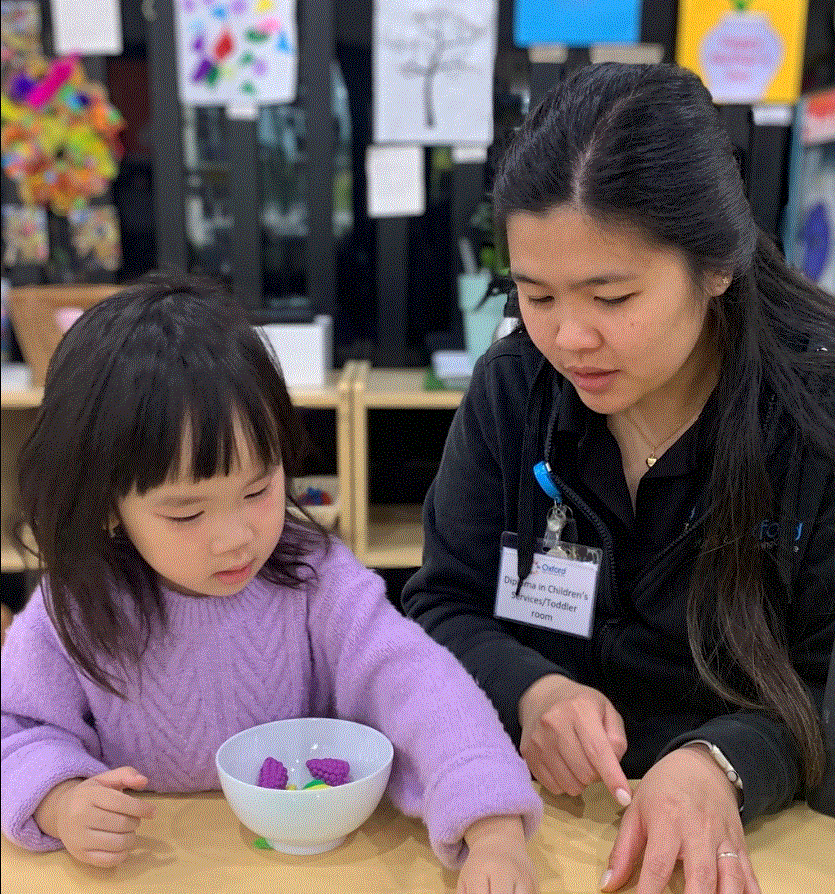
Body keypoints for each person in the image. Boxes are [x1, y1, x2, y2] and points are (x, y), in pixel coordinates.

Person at [402, 62, 835, 894]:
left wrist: (719, 760)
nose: (568, 336)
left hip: (765, 835)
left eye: (611, 296)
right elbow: (442, 602)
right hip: (542, 820)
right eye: (535, 294)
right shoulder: (514, 392)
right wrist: (533, 688)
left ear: (716, 265)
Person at [1, 274, 542, 894]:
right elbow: (16, 730)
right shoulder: (73, 606)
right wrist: (60, 801)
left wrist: (491, 821)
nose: (235, 538)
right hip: (152, 870)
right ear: (105, 505)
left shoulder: (314, 578)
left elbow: (417, 682)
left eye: (259, 490)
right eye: (187, 513)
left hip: (309, 869)